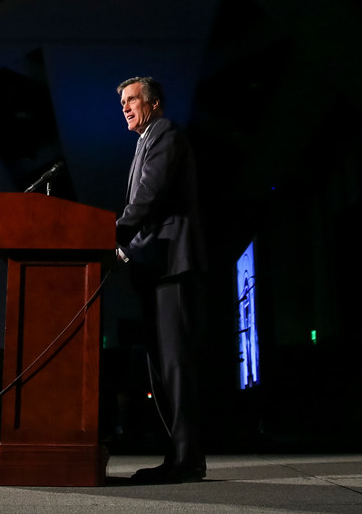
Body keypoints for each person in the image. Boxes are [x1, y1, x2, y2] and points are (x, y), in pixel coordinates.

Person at [114, 76, 207, 483]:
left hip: (172, 265)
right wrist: (126, 248)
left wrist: (114, 234)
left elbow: (150, 197)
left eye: (132, 99)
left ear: (153, 104)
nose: (125, 107)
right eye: (122, 102)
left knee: (175, 366)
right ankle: (176, 456)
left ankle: (188, 459)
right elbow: (150, 207)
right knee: (160, 371)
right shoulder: (143, 141)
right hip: (154, 267)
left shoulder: (164, 132)